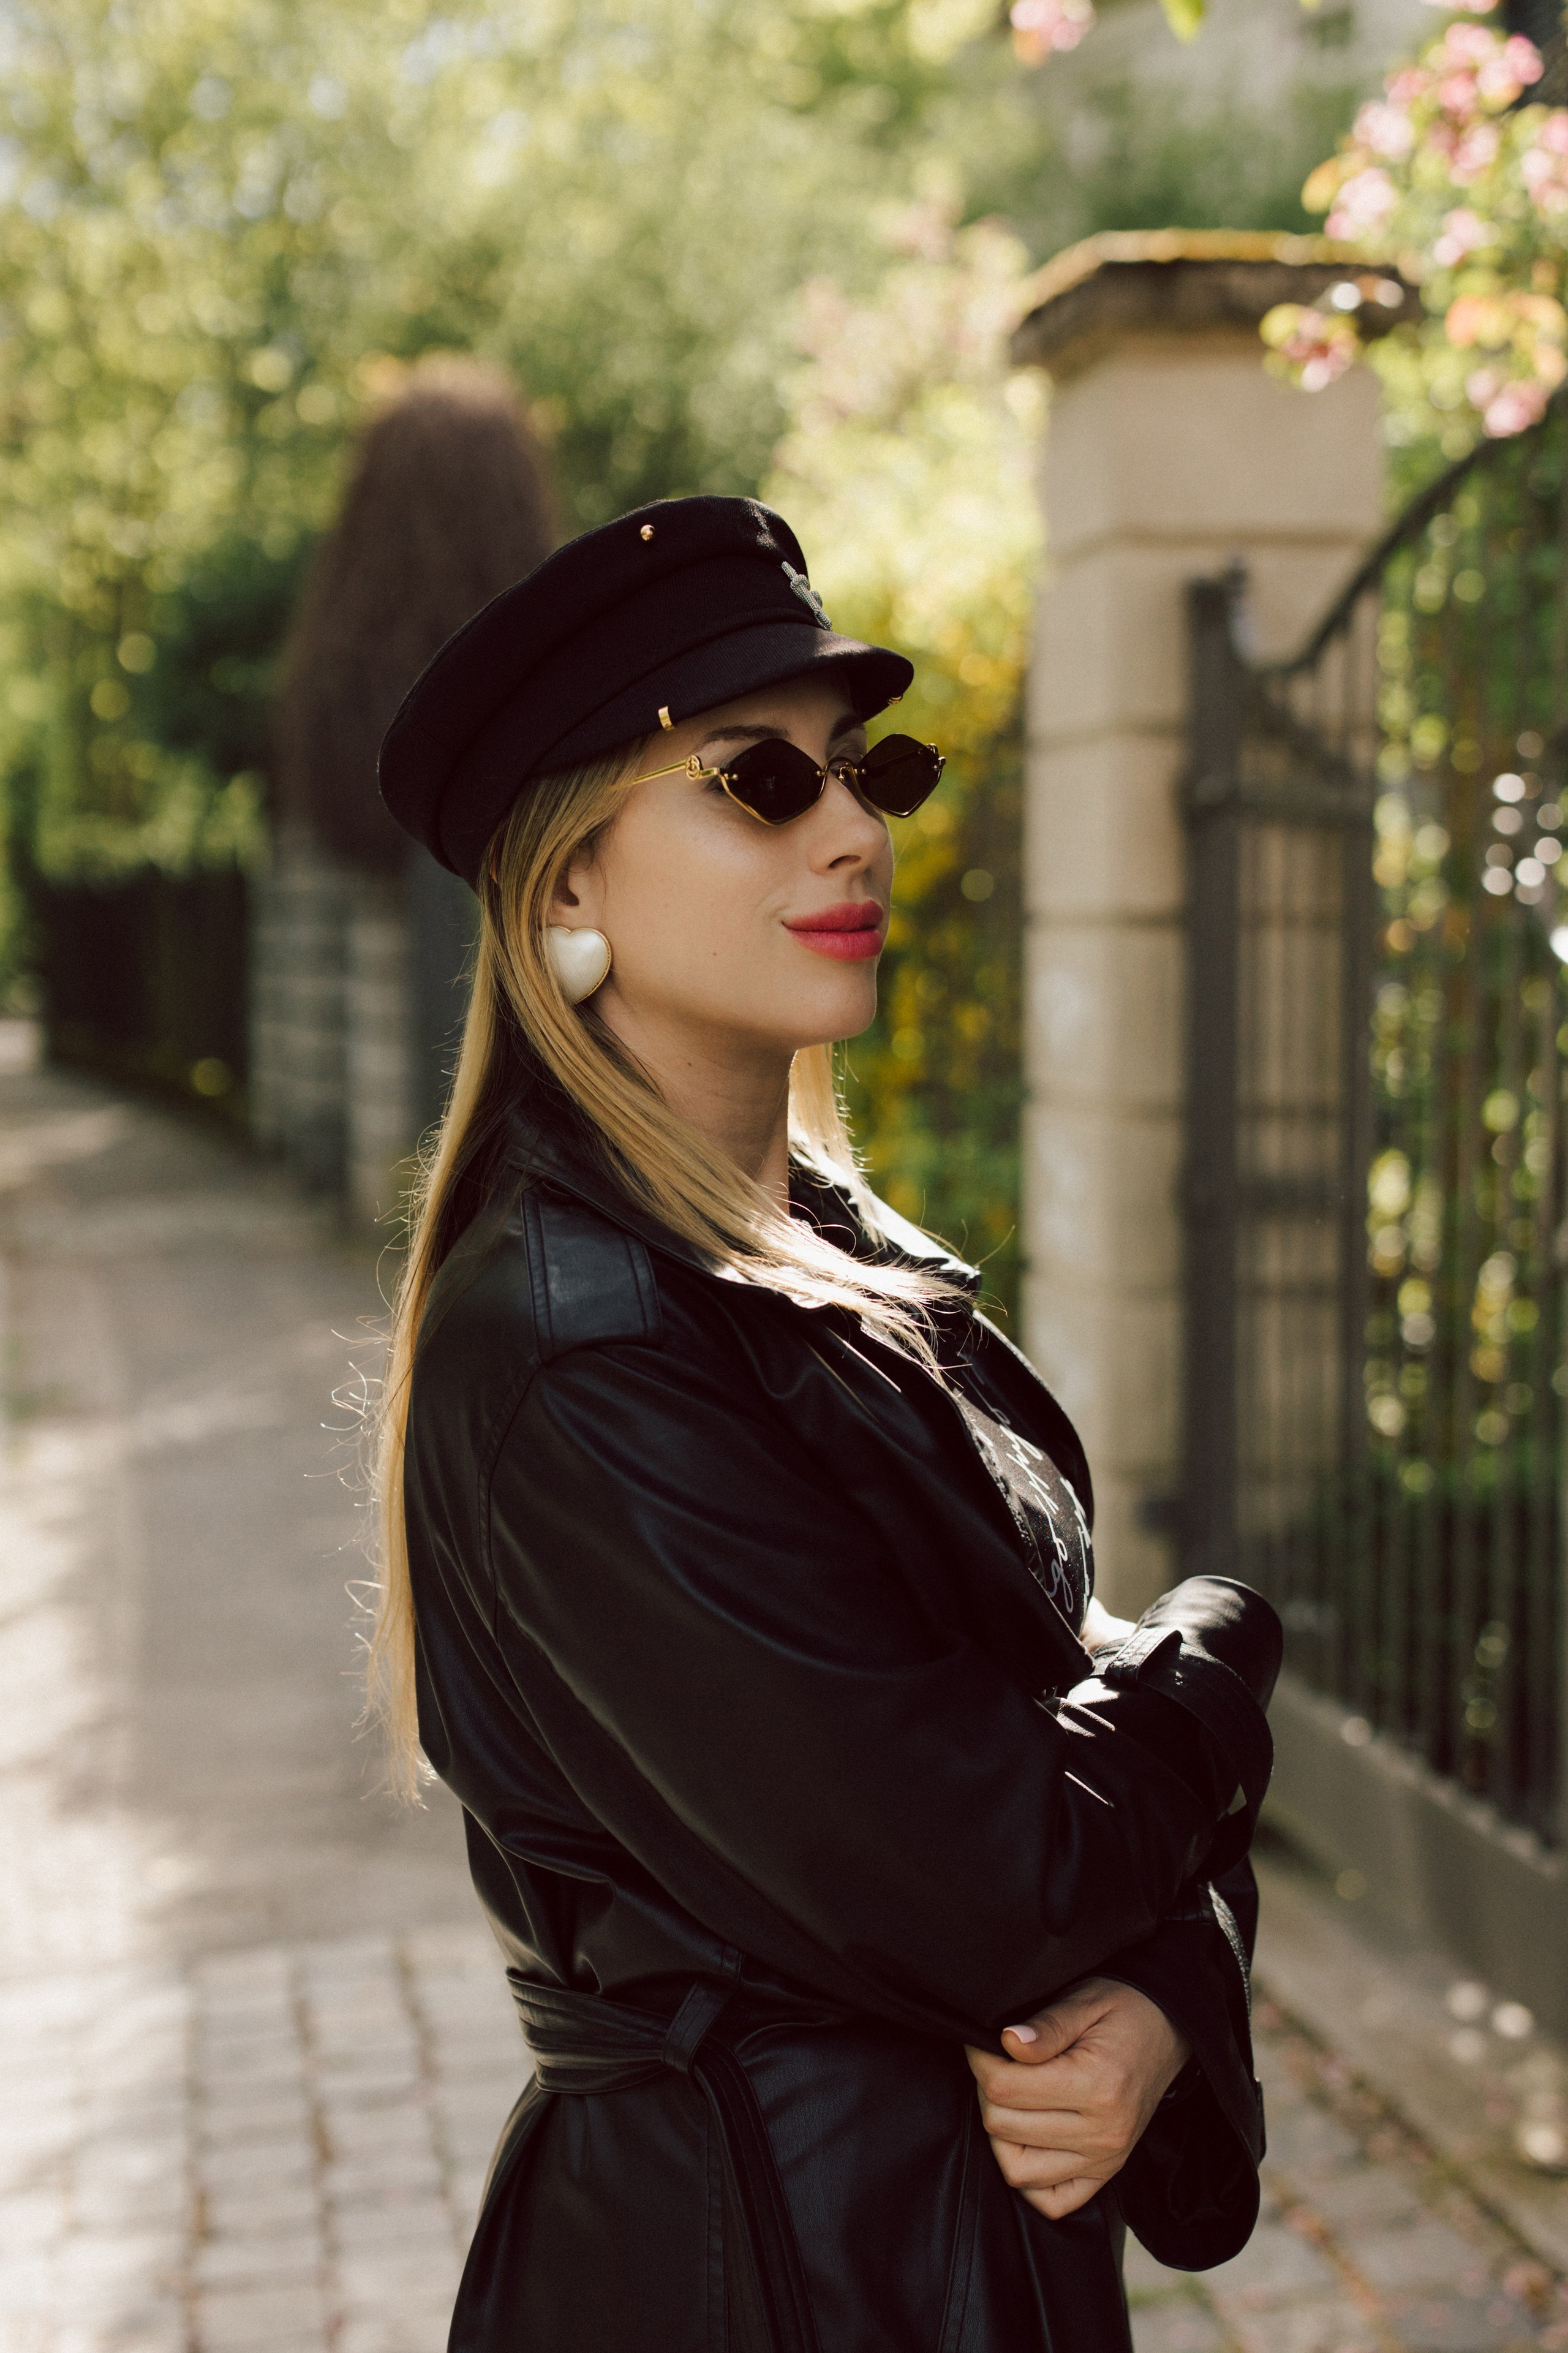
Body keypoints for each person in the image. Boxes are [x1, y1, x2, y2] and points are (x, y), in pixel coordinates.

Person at [371, 494, 1282, 2352]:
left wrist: (1171, 1994)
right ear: (567, 884)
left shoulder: (833, 1261)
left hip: (944, 2256)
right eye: (759, 780)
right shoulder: (574, 1344)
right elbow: (1009, 1864)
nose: (855, 825)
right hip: (752, 2279)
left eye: (867, 771)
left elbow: (1029, 1747)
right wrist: (1228, 1654)